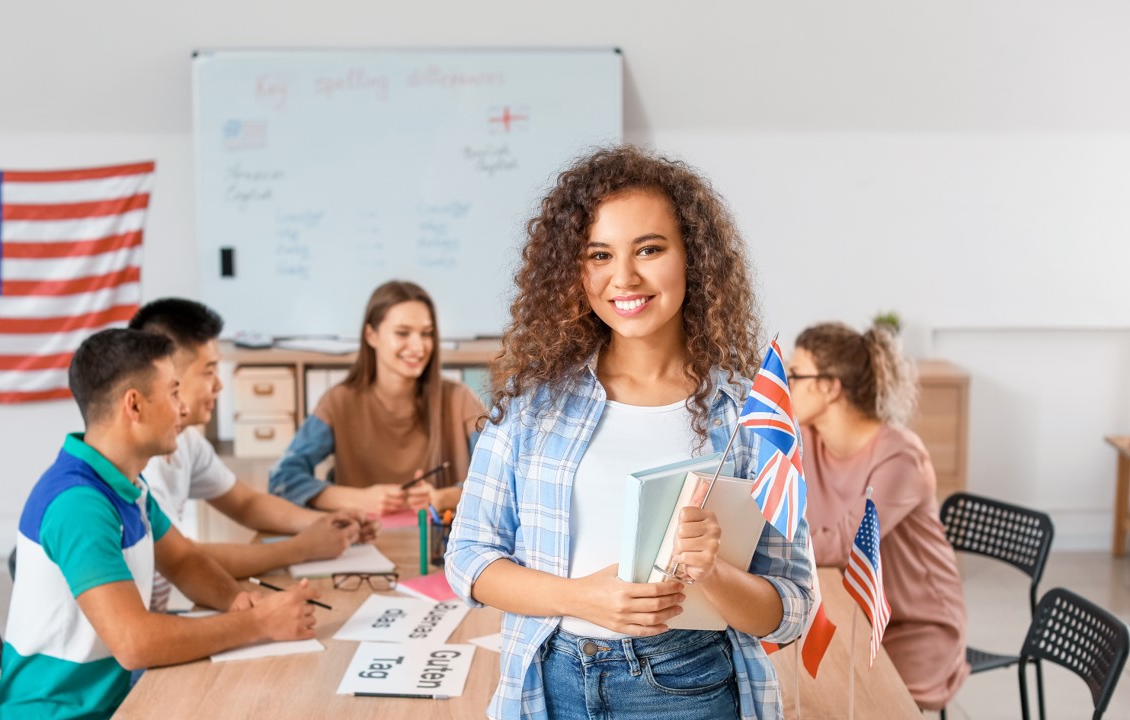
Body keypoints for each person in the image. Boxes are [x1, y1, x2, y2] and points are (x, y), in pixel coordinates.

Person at [445, 145, 815, 720]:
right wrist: (580, 599)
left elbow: (793, 607)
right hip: (549, 684)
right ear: (574, 269)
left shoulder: (746, 414)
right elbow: (468, 557)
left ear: (693, 257)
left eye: (649, 249)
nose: (625, 278)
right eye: (599, 255)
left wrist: (713, 574)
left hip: (686, 683)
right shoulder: (534, 406)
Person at [0, 329, 322, 719]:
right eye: (173, 392)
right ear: (135, 406)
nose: (183, 409)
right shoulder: (79, 505)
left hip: (109, 697)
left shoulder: (127, 481)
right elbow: (135, 643)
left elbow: (183, 561)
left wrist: (236, 600)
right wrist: (257, 623)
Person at [129, 298, 375, 612]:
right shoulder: (141, 468)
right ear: (167, 374)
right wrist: (299, 549)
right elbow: (184, 556)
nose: (219, 384)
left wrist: (326, 524)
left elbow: (246, 503)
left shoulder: (186, 442)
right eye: (209, 371)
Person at [790, 321, 970, 712]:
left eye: (796, 374)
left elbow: (842, 546)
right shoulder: (808, 440)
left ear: (830, 386)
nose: (786, 383)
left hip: (916, 626)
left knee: (846, 702)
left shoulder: (900, 456)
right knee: (787, 687)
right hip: (849, 611)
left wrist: (767, 542)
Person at [268, 280, 485, 516]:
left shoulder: (460, 400)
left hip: (438, 545)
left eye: (427, 334)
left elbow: (504, 476)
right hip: (358, 543)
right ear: (371, 335)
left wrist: (445, 497)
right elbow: (282, 479)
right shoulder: (338, 402)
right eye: (402, 333)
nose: (418, 346)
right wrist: (356, 499)